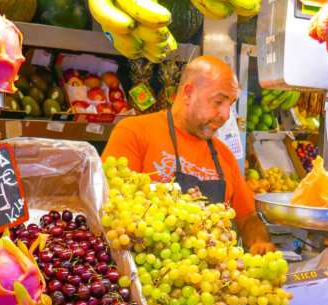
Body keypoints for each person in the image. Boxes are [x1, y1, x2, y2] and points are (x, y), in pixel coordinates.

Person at [101, 55, 276, 255]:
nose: (226, 115)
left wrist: (259, 242)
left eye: (231, 103)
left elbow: (248, 217)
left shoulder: (223, 155)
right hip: (151, 277)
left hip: (209, 278)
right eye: (218, 101)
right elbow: (112, 210)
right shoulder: (135, 133)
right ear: (188, 93)